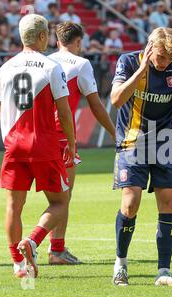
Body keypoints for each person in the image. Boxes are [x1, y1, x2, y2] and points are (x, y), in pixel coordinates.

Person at [110, 27, 172, 286]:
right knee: (130, 203)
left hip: (164, 141)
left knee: (168, 202)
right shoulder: (128, 62)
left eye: (168, 59)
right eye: (160, 57)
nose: (163, 63)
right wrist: (140, 73)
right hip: (132, 140)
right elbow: (116, 99)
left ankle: (164, 271)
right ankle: (121, 264)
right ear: (149, 48)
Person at [0, 13, 76, 278]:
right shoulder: (51, 67)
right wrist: (71, 144)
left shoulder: (5, 68)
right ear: (42, 36)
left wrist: (9, 139)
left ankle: (18, 264)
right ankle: (32, 240)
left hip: (14, 146)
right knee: (60, 202)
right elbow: (64, 112)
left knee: (13, 206)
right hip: (43, 145)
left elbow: (0, 108)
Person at [48, 21, 116, 264]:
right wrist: (113, 131)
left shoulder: (46, 61)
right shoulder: (82, 64)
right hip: (64, 137)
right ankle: (54, 249)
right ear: (78, 42)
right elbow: (96, 105)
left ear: (57, 42)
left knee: (24, 198)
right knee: (64, 197)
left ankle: (23, 252)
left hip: (39, 135)